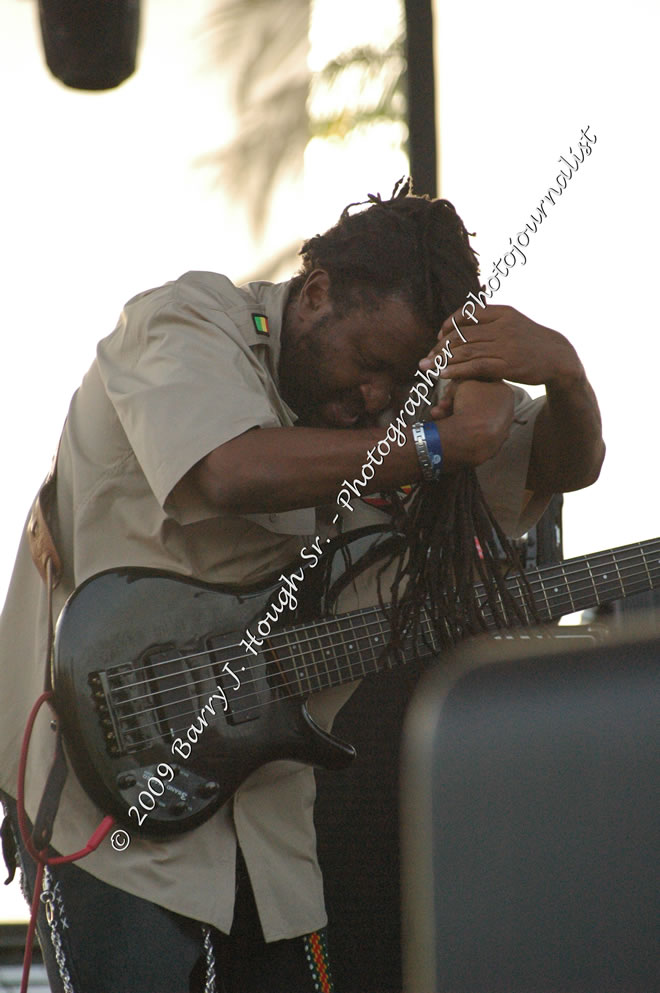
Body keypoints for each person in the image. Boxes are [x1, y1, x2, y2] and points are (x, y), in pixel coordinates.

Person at [0, 183, 604, 993]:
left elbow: (560, 463)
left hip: (269, 839)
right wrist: (436, 443)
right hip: (111, 816)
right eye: (370, 364)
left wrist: (563, 372)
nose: (378, 397)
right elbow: (228, 468)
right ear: (315, 293)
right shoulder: (186, 322)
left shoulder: (397, 418)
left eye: (401, 379)